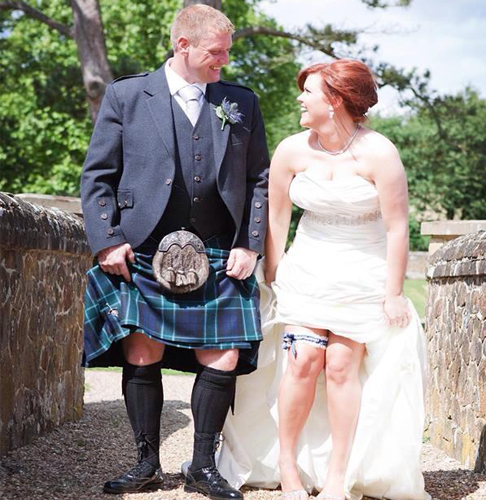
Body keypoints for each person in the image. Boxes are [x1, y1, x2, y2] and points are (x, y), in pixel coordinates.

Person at [217, 60, 430, 500]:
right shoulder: (292, 150)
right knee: (302, 361)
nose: (300, 98)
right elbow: (276, 217)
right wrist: (272, 275)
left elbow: (396, 228)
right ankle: (288, 466)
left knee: (339, 367)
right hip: (307, 270)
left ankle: (337, 474)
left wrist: (392, 293)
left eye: (308, 92)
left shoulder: (380, 153)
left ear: (334, 101)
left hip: (362, 274)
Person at [80, 5, 269, 499]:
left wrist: (250, 245)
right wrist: (107, 240)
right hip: (141, 247)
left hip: (218, 251)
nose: (223, 62)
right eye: (216, 52)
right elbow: (98, 175)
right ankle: (145, 463)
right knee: (143, 350)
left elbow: (259, 181)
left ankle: (202, 467)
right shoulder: (126, 94)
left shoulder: (241, 102)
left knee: (224, 354)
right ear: (183, 45)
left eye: (227, 53)